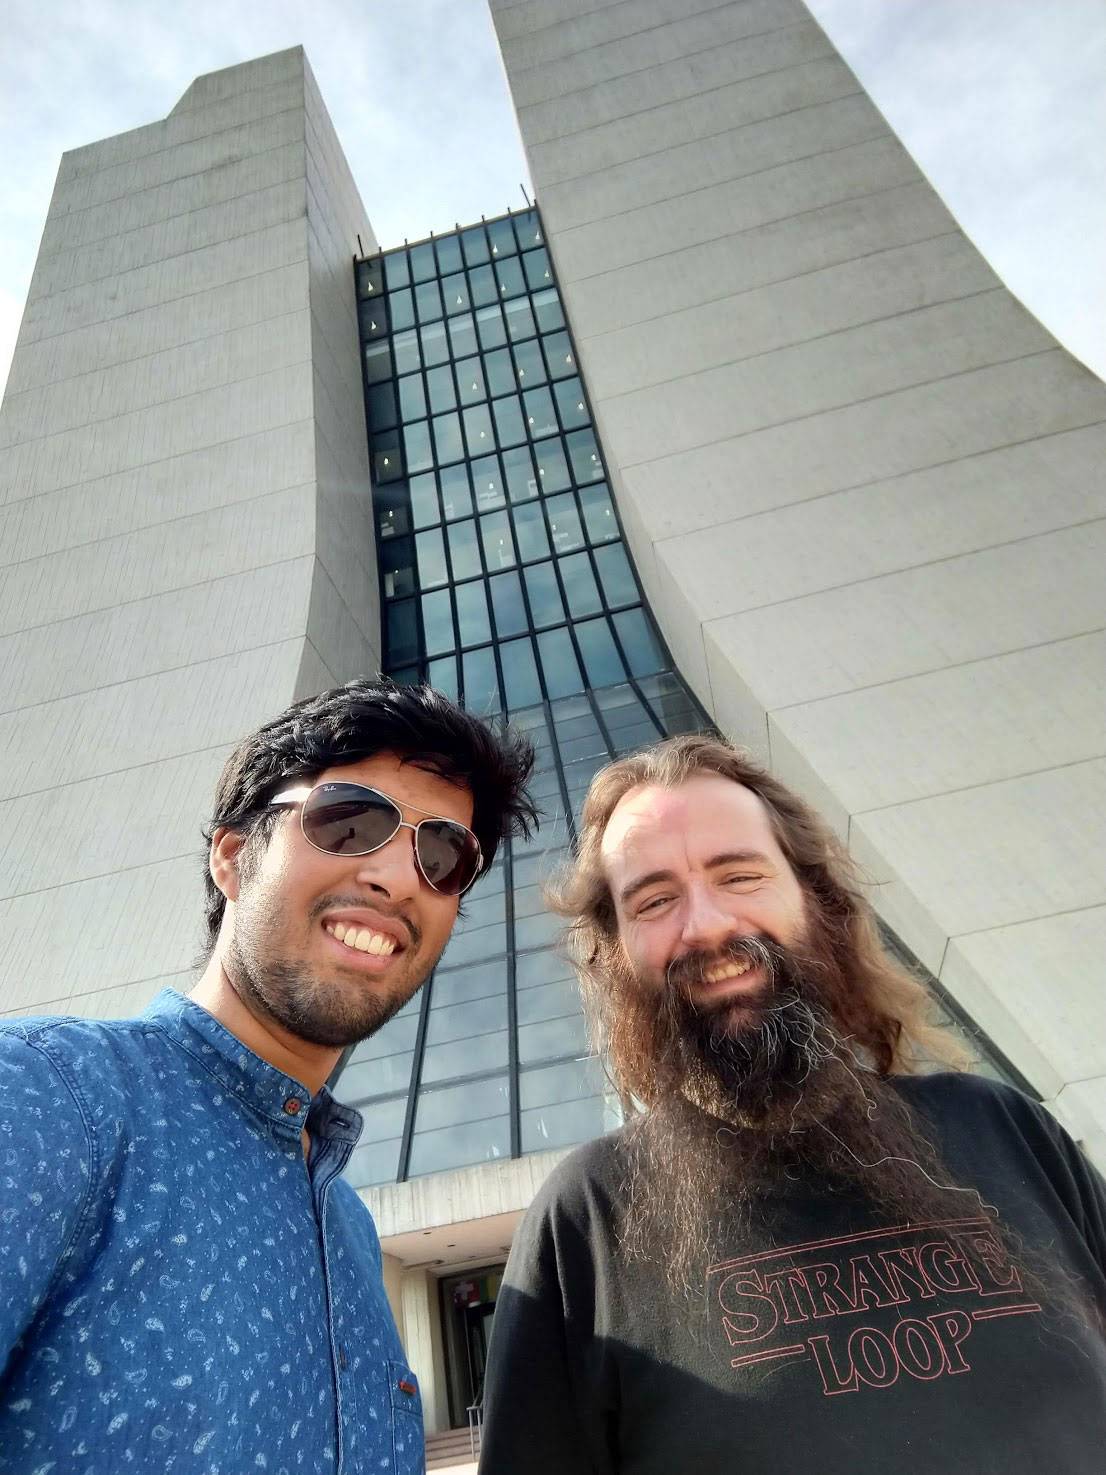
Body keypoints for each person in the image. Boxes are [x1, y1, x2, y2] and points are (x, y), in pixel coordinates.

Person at [479, 734, 1106, 1475]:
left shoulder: (1008, 1128)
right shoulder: (585, 1221)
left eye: (738, 874)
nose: (707, 924)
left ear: (818, 897)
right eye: (654, 900)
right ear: (615, 955)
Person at [0, 677, 535, 1475]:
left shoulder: (346, 1225)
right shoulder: (50, 1095)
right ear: (230, 856)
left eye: (443, 853)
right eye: (349, 819)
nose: (395, 877)